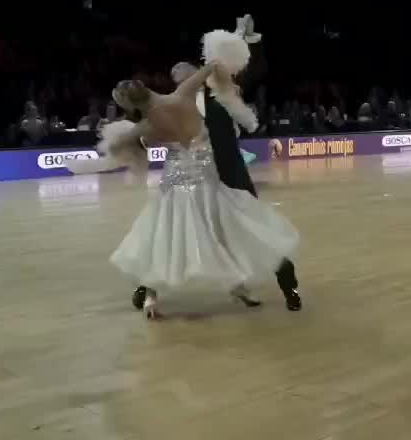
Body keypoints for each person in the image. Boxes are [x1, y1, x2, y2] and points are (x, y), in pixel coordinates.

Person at [101, 63, 300, 320]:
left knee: (167, 234)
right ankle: (227, 287)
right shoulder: (182, 96)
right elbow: (214, 64)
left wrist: (129, 143)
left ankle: (155, 294)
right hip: (206, 183)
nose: (178, 78)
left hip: (199, 182)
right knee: (187, 233)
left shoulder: (149, 124)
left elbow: (117, 148)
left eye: (180, 74)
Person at [139, 16, 304, 312]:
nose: (183, 79)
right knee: (175, 231)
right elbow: (150, 134)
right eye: (178, 77)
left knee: (259, 231)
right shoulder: (173, 108)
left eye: (187, 74)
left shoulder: (223, 95)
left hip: (231, 178)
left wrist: (246, 37)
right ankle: (147, 288)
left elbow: (243, 66)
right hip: (192, 182)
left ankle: (287, 286)